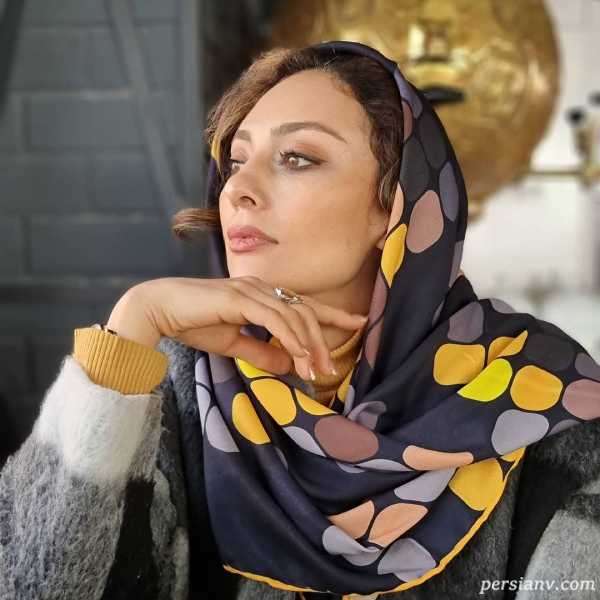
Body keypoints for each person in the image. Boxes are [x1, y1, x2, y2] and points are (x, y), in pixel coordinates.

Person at [1, 40, 600, 600]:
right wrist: (132, 324)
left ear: (397, 206)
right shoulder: (176, 380)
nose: (237, 190)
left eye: (296, 157)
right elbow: (35, 585)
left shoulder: (544, 399)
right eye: (235, 161)